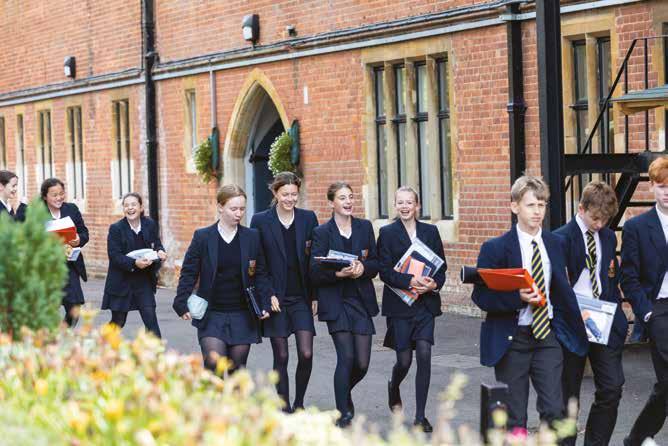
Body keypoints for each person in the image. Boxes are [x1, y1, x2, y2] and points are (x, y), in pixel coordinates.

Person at [471, 175, 587, 436]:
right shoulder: (496, 248)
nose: (537, 212)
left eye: (541, 205)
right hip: (513, 338)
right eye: (531, 205)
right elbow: (481, 296)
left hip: (547, 336)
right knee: (515, 418)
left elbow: (563, 288)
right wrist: (518, 298)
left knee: (555, 411)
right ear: (515, 207)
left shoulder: (556, 243)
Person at [555, 181, 626, 446]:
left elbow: (610, 278)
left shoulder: (607, 236)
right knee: (568, 397)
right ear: (581, 208)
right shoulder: (560, 238)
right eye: (595, 218)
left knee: (612, 387)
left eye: (605, 220)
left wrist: (617, 316)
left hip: (601, 321)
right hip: (571, 323)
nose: (600, 224)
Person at [172, 185, 270, 375]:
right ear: (220, 207)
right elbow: (189, 272)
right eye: (233, 209)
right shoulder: (203, 237)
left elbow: (260, 274)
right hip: (212, 313)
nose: (239, 214)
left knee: (237, 369)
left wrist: (264, 302)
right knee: (213, 365)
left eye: (242, 209)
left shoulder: (252, 237)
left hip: (242, 314)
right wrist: (181, 301)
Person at [377, 186, 447, 432]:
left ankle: (420, 416)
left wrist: (434, 284)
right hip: (400, 305)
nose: (405, 206)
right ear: (395, 205)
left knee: (425, 355)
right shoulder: (387, 233)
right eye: (401, 202)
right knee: (404, 360)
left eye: (409, 202)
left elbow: (441, 266)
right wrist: (410, 281)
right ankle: (394, 385)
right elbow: (384, 271)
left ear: (417, 205)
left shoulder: (430, 231)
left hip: (425, 305)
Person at [310, 181, 379, 427]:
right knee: (346, 357)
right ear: (331, 203)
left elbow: (376, 263)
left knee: (362, 363)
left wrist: (363, 268)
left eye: (350, 196)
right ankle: (342, 412)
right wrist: (337, 274)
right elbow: (314, 271)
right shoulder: (321, 233)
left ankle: (343, 393)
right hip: (336, 302)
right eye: (342, 198)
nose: (348, 201)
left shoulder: (364, 227)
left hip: (360, 301)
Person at [250, 172, 319, 412]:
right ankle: (284, 404)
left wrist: (315, 295)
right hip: (275, 298)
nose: (290, 199)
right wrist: (267, 294)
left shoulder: (308, 219)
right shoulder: (260, 221)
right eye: (285, 194)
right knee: (281, 356)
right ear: (275, 193)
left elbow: (314, 262)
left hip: (301, 297)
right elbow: (259, 264)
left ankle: (299, 402)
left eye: (294, 194)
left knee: (306, 353)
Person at [621, 156, 668, 446]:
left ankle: (636, 439)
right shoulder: (637, 227)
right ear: (651, 186)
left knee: (665, 385)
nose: (667, 192)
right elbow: (628, 277)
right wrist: (646, 313)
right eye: (661, 186)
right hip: (659, 309)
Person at [101, 192, 167, 338]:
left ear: (141, 207)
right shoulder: (116, 228)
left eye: (133, 204)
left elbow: (156, 243)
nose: (130, 208)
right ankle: (100, 343)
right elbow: (114, 256)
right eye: (126, 205)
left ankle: (157, 351)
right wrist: (134, 263)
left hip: (143, 281)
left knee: (151, 321)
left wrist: (160, 251)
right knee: (118, 321)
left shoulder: (149, 224)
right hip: (121, 281)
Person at [41, 178, 89, 327]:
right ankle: (49, 337)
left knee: (74, 308)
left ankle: (63, 334)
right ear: (45, 197)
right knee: (49, 309)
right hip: (47, 269)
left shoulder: (71, 209)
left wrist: (78, 239)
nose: (59, 198)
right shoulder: (37, 213)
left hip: (70, 265)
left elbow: (84, 232)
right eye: (54, 195)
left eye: (61, 193)